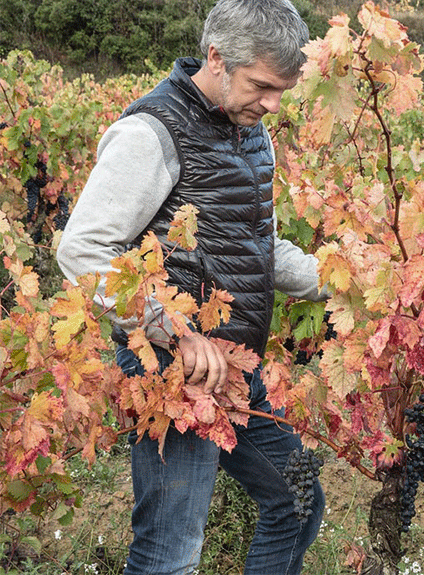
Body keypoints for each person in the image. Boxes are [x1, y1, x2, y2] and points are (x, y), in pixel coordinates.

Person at [56, 1, 327, 573]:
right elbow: (80, 250)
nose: (273, 103)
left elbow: (255, 245)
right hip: (172, 370)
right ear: (216, 58)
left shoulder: (254, 134)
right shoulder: (151, 132)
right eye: (262, 86)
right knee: (170, 551)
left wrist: (334, 284)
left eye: (283, 89)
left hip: (237, 362)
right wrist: (170, 330)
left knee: (298, 501)